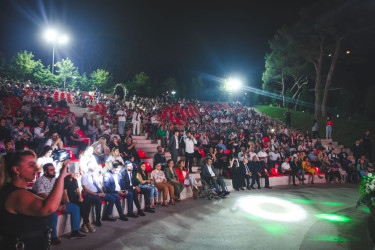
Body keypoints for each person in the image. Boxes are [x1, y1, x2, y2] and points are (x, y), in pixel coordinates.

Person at [0, 151, 69, 249]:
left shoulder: (21, 192)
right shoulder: (17, 195)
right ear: (17, 170)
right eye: (31, 165)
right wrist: (61, 177)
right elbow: (48, 208)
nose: (36, 168)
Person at [33, 163, 86, 245]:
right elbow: (42, 195)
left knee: (75, 208)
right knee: (53, 213)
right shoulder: (40, 181)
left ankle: (75, 232)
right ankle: (53, 237)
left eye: (54, 169)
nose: (54, 171)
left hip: (57, 201)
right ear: (45, 172)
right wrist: (56, 206)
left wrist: (64, 202)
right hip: (46, 203)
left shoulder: (55, 180)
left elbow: (60, 192)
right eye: (51, 170)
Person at [81, 161, 118, 226]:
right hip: (90, 194)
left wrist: (102, 192)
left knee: (112, 198)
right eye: (92, 165)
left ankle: (107, 215)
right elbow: (85, 190)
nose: (94, 166)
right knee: (98, 199)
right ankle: (98, 219)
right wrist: (97, 194)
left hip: (98, 192)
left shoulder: (95, 175)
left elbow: (99, 184)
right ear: (88, 167)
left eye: (94, 165)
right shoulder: (85, 176)